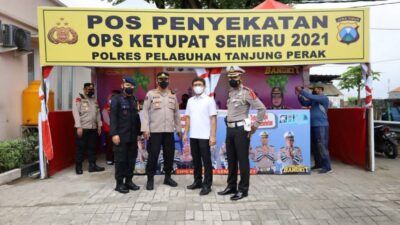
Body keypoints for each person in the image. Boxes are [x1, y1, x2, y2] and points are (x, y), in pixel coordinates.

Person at [218, 66, 266, 201]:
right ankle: (231, 186)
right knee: (231, 159)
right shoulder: (231, 92)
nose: (232, 80)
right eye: (230, 78)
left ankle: (243, 190)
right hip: (230, 129)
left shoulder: (247, 92)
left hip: (241, 130)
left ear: (240, 77)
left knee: (242, 161)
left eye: (234, 77)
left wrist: (255, 126)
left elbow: (262, 108)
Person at [141, 72, 182, 190]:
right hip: (154, 132)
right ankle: (150, 179)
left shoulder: (172, 96)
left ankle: (167, 177)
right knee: (153, 156)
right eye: (161, 79)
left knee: (169, 155)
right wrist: (145, 129)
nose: (163, 81)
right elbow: (144, 112)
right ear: (157, 81)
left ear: (169, 81)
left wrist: (178, 129)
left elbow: (176, 114)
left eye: (165, 79)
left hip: (169, 131)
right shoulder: (151, 94)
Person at [183, 77, 217, 196]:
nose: (197, 86)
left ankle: (207, 185)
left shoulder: (209, 100)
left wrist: (212, 136)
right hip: (193, 136)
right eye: (195, 84)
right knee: (196, 161)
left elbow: (213, 119)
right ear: (193, 87)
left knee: (206, 162)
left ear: (204, 87)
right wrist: (185, 133)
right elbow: (188, 118)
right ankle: (197, 181)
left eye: (200, 84)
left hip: (205, 136)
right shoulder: (190, 101)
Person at [110, 77, 142, 193]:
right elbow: (112, 117)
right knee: (120, 161)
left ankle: (129, 181)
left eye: (132, 86)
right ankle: (119, 184)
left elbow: (136, 118)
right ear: (122, 85)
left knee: (131, 160)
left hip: (132, 136)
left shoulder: (134, 99)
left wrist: (139, 133)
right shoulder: (116, 99)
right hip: (120, 136)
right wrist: (114, 134)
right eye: (127, 85)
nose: (129, 88)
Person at [296, 83, 332, 174]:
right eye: (315, 89)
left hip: (321, 125)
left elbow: (310, 96)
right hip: (313, 125)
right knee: (315, 147)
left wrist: (301, 90)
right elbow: (304, 102)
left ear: (321, 90)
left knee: (321, 146)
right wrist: (299, 95)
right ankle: (318, 164)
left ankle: (327, 167)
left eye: (318, 89)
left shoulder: (323, 98)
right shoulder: (314, 101)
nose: (316, 90)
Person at [72, 83, 104, 175]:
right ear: (84, 89)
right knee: (80, 148)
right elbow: (75, 113)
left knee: (92, 147)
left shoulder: (94, 100)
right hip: (83, 128)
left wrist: (99, 125)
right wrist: (78, 126)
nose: (90, 91)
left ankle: (92, 165)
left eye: (92, 89)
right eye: (88, 89)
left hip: (93, 128)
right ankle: (78, 167)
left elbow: (98, 113)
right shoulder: (79, 98)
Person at [102, 90, 121, 165]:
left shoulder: (120, 106)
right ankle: (109, 159)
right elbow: (106, 119)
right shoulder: (106, 107)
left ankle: (117, 159)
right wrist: (114, 125)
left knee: (118, 145)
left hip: (119, 130)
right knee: (110, 145)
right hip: (109, 129)